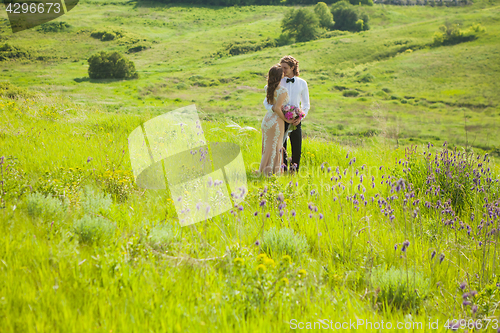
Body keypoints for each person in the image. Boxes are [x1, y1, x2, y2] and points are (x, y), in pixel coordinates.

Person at [263, 55, 310, 172]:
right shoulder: (278, 82)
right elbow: (267, 101)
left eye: (285, 68)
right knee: (280, 147)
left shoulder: (302, 83)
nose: (282, 70)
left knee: (297, 148)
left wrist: (300, 118)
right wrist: (273, 109)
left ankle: (294, 172)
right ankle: (282, 171)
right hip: (280, 119)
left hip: (295, 119)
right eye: (281, 67)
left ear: (293, 67)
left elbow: (306, 104)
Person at [259, 64, 294, 177]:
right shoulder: (282, 91)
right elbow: (278, 108)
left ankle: (264, 169)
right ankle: (273, 171)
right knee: (276, 145)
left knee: (267, 146)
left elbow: (271, 105)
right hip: (276, 121)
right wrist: (286, 120)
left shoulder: (268, 88)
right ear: (280, 76)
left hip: (267, 119)